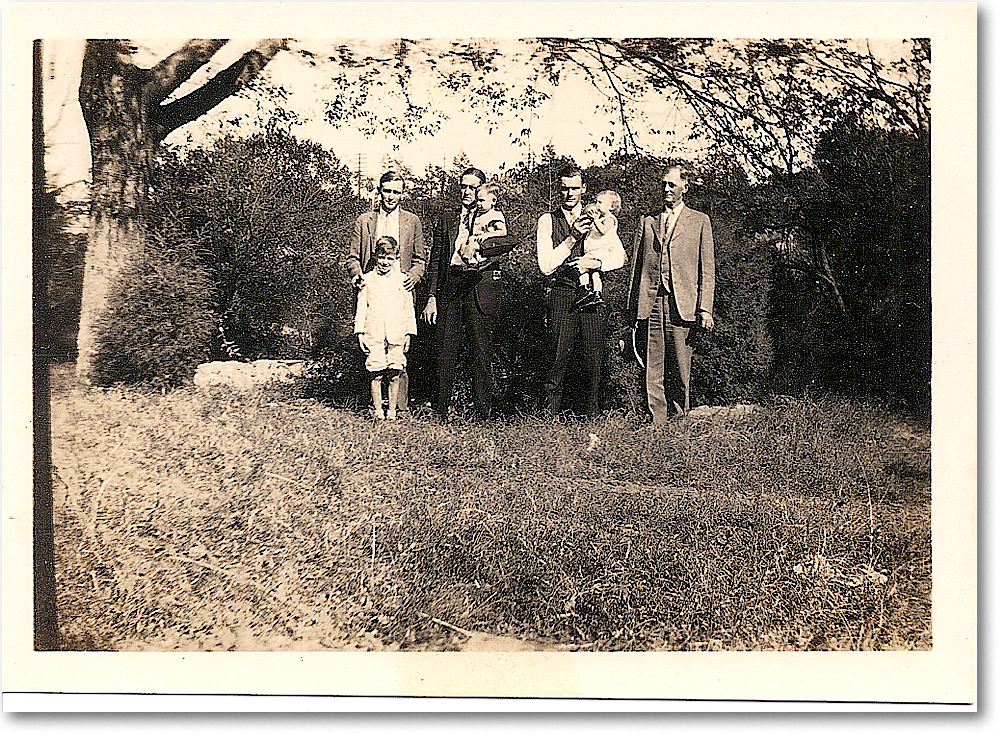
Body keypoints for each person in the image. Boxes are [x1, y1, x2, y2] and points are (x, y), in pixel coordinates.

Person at [422, 167, 516, 421]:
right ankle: (440, 411)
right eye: (463, 186)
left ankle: (483, 414)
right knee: (445, 348)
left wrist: (481, 244)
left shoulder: (492, 216)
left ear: (482, 190)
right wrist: (432, 296)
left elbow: (507, 242)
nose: (466, 191)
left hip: (479, 286)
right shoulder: (448, 218)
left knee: (481, 351)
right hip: (451, 285)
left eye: (472, 187)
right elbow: (436, 259)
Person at [627, 165, 715, 423]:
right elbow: (636, 267)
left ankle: (679, 420)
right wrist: (633, 307)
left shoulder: (699, 221)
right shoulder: (649, 221)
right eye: (664, 184)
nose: (666, 189)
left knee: (679, 365)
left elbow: (707, 269)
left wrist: (705, 308)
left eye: (672, 185)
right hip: (652, 301)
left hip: (682, 302)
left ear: (684, 187)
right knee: (653, 365)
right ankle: (657, 422)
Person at [536, 167, 624, 417]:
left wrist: (597, 263)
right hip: (562, 292)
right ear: (559, 188)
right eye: (564, 188)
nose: (569, 193)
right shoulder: (547, 220)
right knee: (557, 355)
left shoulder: (599, 215)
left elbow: (619, 256)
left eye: (575, 188)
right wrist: (572, 238)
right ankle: (548, 419)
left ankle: (590, 418)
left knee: (592, 357)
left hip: (592, 296)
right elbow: (546, 266)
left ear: (583, 189)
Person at [346, 170, 428, 413]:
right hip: (371, 291)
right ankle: (372, 405)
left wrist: (413, 278)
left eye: (396, 191)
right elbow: (352, 258)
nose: (391, 196)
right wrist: (357, 276)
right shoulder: (365, 221)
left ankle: (398, 408)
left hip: (399, 293)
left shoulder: (411, 221)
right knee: (371, 348)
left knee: (398, 350)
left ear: (402, 194)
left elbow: (420, 259)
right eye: (387, 191)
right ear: (379, 191)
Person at [354, 236, 417, 420]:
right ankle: (378, 411)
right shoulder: (367, 280)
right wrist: (360, 332)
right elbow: (361, 308)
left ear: (396, 258)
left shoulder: (403, 280)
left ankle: (392, 411)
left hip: (396, 331)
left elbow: (408, 309)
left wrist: (408, 333)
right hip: (374, 331)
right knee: (376, 372)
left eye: (390, 258)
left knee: (395, 371)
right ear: (375, 257)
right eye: (382, 258)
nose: (385, 262)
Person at [573, 190, 626, 310]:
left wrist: (596, 220)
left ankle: (588, 289)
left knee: (582, 267)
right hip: (592, 251)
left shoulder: (610, 219)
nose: (597, 205)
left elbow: (603, 230)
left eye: (600, 202)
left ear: (611, 206)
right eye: (596, 202)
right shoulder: (599, 219)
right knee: (593, 273)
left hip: (601, 250)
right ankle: (590, 291)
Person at [458, 182, 507, 268]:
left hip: (486, 242)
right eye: (477, 200)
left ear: (493, 201)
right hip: (475, 239)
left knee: (473, 247)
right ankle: (470, 262)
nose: (478, 204)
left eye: (481, 200)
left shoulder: (495, 215)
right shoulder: (477, 214)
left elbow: (502, 231)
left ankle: (476, 263)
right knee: (464, 247)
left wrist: (488, 234)